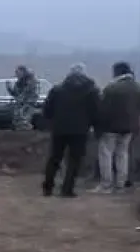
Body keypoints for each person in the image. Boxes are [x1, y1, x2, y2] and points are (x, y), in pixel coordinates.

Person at [41, 64, 99, 198]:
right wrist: (94, 126)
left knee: (54, 158)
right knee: (74, 160)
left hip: (59, 128)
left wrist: (50, 122)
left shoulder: (57, 89)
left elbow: (47, 110)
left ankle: (48, 187)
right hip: (80, 131)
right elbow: (95, 112)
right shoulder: (91, 91)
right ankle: (67, 189)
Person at [93, 61, 140, 193]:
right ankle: (121, 184)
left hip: (110, 127)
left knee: (106, 154)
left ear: (117, 72)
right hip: (130, 127)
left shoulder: (111, 88)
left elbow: (103, 110)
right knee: (122, 154)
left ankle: (106, 184)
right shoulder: (138, 87)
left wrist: (98, 127)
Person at [11, 66, 39, 132]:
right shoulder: (19, 82)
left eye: (18, 73)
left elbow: (28, 90)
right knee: (17, 119)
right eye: (16, 73)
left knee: (24, 119)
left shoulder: (31, 80)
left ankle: (28, 132)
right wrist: (10, 89)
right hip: (21, 102)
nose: (17, 75)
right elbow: (16, 93)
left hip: (29, 102)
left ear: (23, 72)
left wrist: (21, 98)